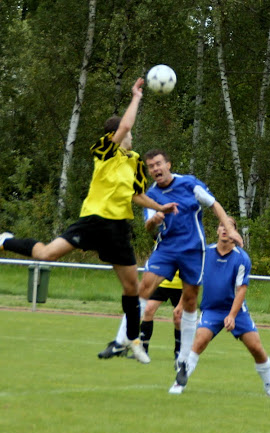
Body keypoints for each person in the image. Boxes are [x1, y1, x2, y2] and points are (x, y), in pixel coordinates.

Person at [0, 78, 177, 364]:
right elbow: (125, 126)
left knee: (132, 287)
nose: (130, 137)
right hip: (93, 220)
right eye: (126, 133)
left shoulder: (133, 161)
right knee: (46, 254)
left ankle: (132, 341)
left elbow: (137, 195)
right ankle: (5, 241)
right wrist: (136, 97)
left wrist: (161, 206)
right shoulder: (105, 151)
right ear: (115, 135)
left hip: (118, 228)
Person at [99, 148, 243, 371]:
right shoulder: (151, 195)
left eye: (158, 164)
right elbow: (148, 226)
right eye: (151, 166)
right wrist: (155, 219)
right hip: (166, 248)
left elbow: (214, 204)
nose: (155, 168)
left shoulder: (189, 183)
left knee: (190, 301)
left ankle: (183, 358)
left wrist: (230, 229)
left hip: (193, 250)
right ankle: (121, 341)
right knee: (144, 287)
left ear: (168, 165)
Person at [168, 218, 270, 397]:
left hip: (236, 311)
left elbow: (241, 290)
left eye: (229, 227)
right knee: (199, 341)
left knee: (256, 348)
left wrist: (232, 315)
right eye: (222, 225)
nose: (225, 229)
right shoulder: (205, 253)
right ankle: (179, 382)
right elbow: (192, 280)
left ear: (235, 232)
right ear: (217, 230)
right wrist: (182, 304)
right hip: (211, 310)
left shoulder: (242, 258)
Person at [98, 272, 182, 360]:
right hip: (161, 283)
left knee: (178, 318)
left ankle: (179, 352)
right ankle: (143, 350)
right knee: (148, 310)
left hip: (181, 286)